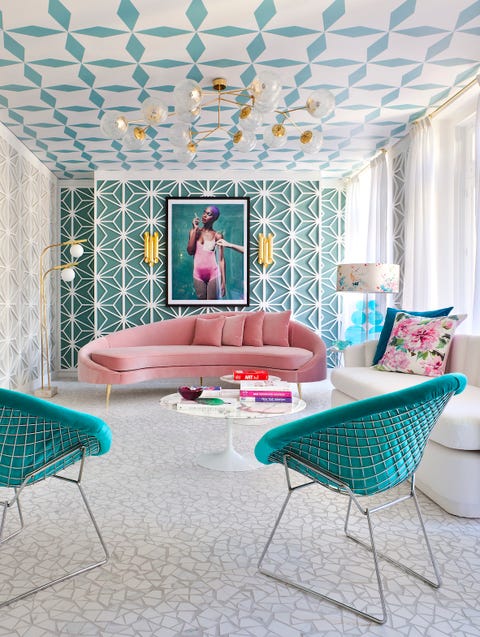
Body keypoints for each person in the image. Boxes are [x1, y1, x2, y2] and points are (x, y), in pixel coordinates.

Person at [187, 205, 226, 300]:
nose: (204, 215)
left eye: (208, 214)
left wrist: (223, 282)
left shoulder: (217, 235)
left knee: (212, 304)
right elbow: (190, 251)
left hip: (213, 274)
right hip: (198, 274)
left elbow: (221, 260)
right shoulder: (194, 231)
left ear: (214, 218)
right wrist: (195, 229)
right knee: (201, 304)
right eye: (204, 212)